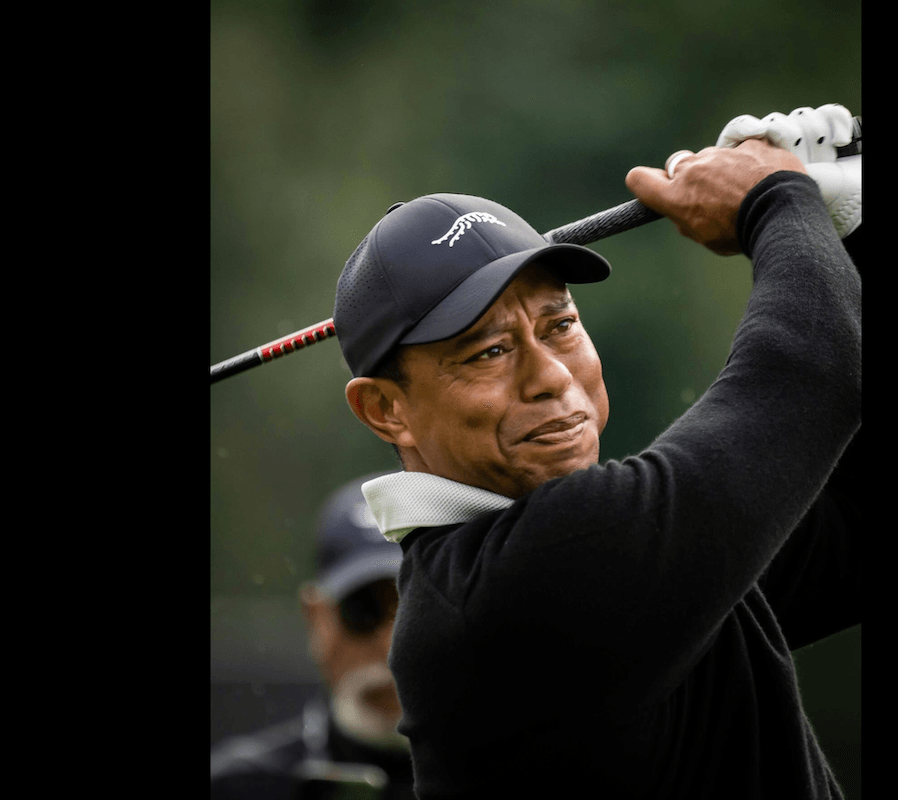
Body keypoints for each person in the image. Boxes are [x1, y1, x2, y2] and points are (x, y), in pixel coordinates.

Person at [332, 104, 863, 798]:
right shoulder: (520, 587)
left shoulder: (621, 566)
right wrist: (779, 200)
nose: (549, 376)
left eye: (560, 325)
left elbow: (849, 504)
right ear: (386, 409)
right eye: (489, 351)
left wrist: (847, 235)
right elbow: (810, 375)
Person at [210, 473, 417, 800]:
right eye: (362, 611)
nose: (390, 645)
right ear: (317, 619)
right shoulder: (238, 788)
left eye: (415, 612)